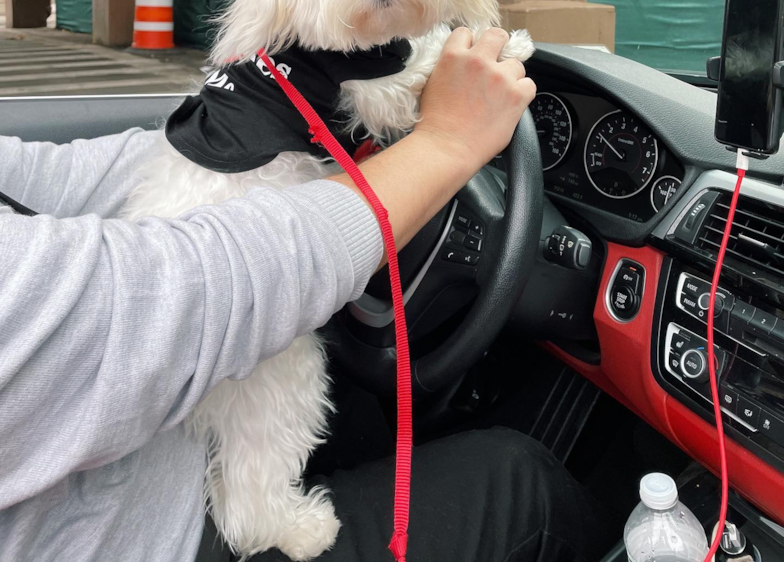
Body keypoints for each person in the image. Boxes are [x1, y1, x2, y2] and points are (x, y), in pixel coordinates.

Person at [0, 29, 610, 562]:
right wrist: (446, 145)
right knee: (523, 486)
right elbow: (181, 295)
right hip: (156, 537)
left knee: (363, 413)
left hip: (139, 460)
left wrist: (253, 116)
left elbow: (55, 185)